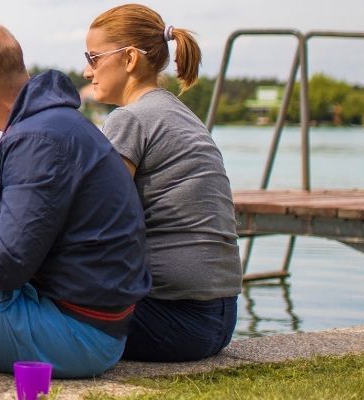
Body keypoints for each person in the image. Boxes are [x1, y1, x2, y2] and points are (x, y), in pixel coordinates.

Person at [0, 22, 150, 379]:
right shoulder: (51, 123)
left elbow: (5, 265)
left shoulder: (37, 140)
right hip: (89, 324)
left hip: (77, 336)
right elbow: (20, 207)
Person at [83, 4, 242, 362]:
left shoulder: (130, 119)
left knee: (30, 299)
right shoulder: (179, 113)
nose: (86, 70)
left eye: (93, 57)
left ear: (128, 59)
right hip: (220, 318)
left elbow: (97, 220)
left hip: (173, 320)